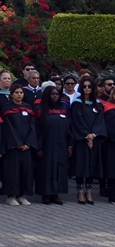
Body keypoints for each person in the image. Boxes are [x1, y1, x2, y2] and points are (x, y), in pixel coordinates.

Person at [0, 84, 39, 206]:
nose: (19, 95)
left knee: (25, 171)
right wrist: (17, 143)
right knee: (13, 171)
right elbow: (8, 128)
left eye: (21, 92)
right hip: (13, 147)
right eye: (16, 92)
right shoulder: (7, 108)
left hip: (26, 147)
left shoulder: (28, 107)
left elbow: (32, 126)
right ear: (12, 94)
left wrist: (28, 143)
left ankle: (22, 195)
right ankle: (11, 196)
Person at [69, 77, 105, 205]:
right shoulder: (77, 103)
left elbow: (100, 121)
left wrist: (93, 135)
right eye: (84, 86)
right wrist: (87, 135)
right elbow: (77, 121)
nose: (87, 89)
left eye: (89, 86)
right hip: (81, 139)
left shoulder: (98, 104)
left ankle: (88, 191)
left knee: (92, 165)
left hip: (94, 139)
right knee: (81, 165)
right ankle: (79, 191)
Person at [36, 86, 70, 205]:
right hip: (47, 145)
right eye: (52, 94)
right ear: (47, 95)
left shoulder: (63, 109)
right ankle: (45, 194)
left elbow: (69, 128)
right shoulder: (40, 110)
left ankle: (56, 194)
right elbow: (38, 130)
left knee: (59, 169)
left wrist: (69, 145)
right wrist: (39, 147)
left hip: (61, 145)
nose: (55, 96)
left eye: (57, 94)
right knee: (47, 169)